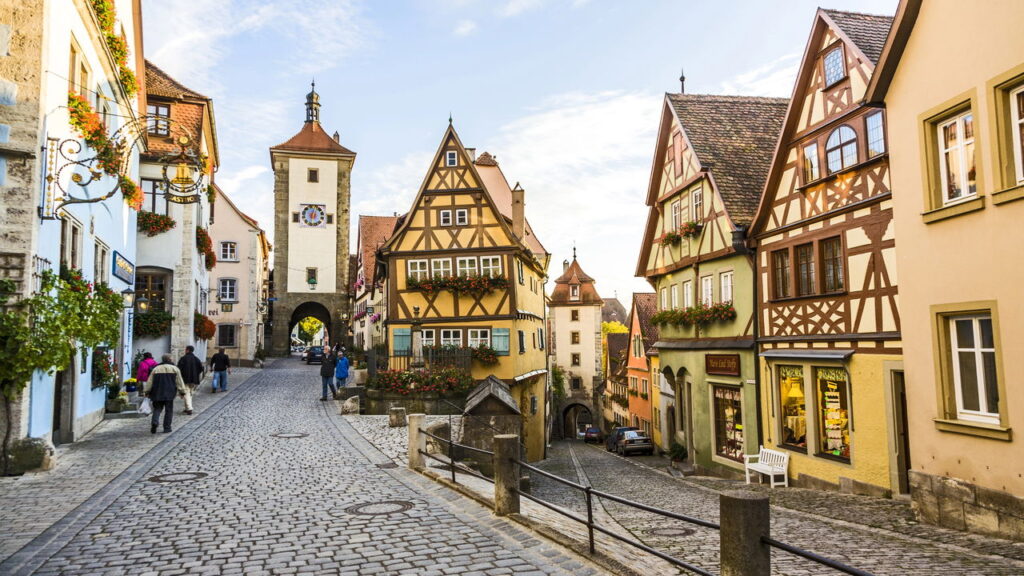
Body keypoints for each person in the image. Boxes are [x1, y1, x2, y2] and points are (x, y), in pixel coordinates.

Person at [145, 354, 186, 433]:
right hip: (170, 392)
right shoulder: (175, 369)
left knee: (157, 408)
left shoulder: (156, 369)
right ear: (170, 359)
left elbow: (150, 381)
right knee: (169, 410)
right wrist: (182, 392)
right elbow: (179, 382)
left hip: (157, 391)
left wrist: (147, 391)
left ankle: (155, 422)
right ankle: (167, 427)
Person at [177, 345, 205, 415]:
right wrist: (196, 374)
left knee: (186, 393)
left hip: (185, 379)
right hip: (194, 380)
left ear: (187, 350)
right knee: (190, 393)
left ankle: (189, 408)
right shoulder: (196, 359)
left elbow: (179, 369)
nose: (185, 350)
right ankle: (187, 408)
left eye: (185, 349)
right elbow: (201, 368)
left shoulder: (183, 358)